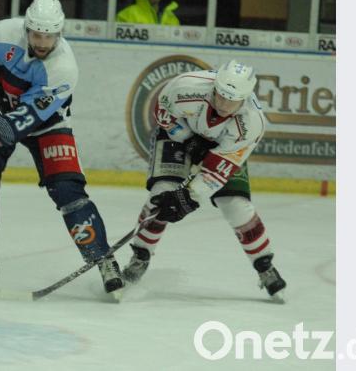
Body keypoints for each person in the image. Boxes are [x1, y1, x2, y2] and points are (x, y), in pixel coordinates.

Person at [0, 0, 125, 298]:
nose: (42, 42)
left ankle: (102, 258)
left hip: (46, 123)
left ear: (60, 33)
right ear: (26, 28)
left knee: (68, 191)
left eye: (49, 36)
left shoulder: (63, 69)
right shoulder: (0, 33)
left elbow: (21, 121)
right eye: (37, 34)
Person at [123, 60, 287, 300]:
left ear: (245, 97)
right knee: (160, 195)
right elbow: (163, 112)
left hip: (222, 149)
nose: (223, 104)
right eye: (220, 95)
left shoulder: (252, 124)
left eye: (232, 100)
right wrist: (188, 139)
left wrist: (188, 197)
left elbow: (215, 172)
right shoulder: (186, 87)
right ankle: (140, 256)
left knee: (235, 206)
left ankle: (265, 266)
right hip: (177, 135)